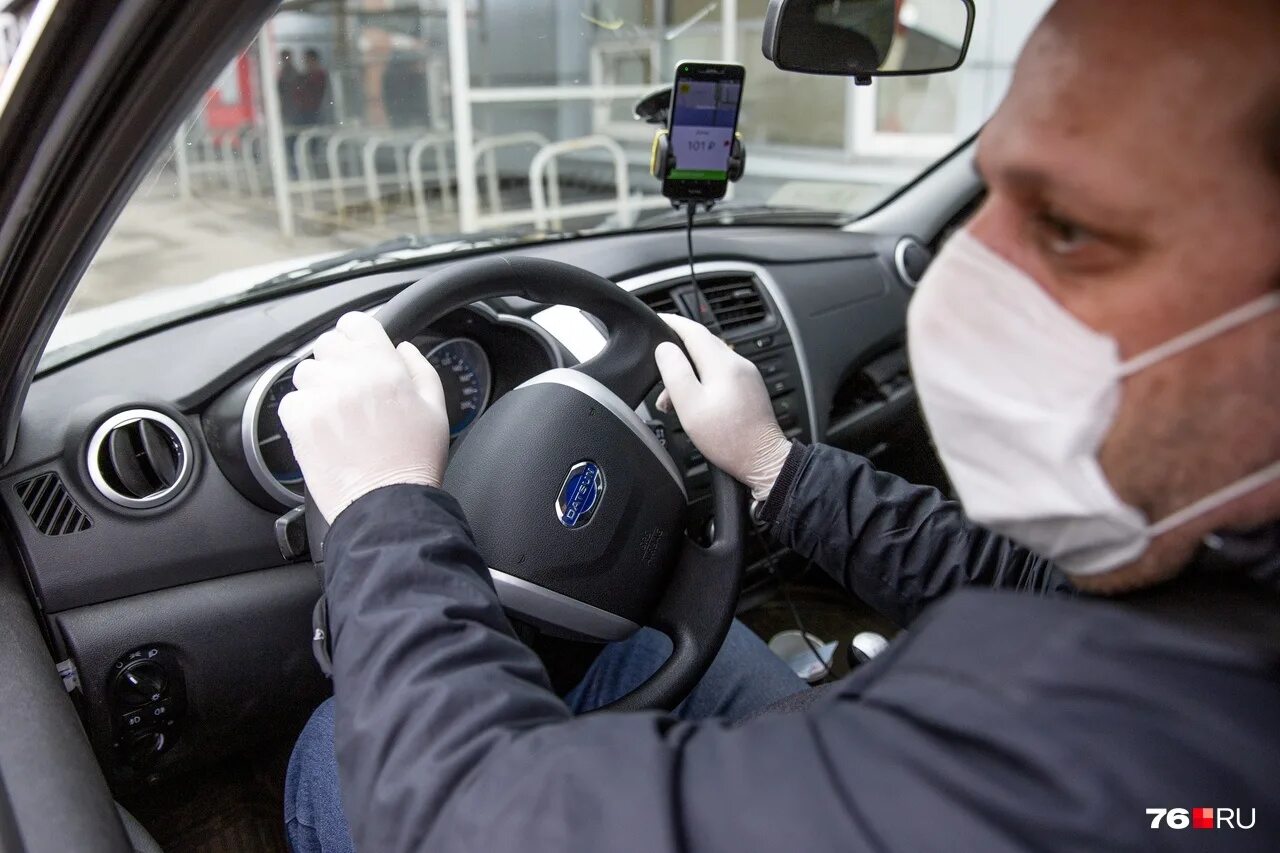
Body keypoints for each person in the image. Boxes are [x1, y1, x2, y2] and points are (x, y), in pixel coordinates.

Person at [280, 1, 1280, 851]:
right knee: (638, 662)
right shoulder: (1213, 586)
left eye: (1064, 227)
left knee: (335, 748)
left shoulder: (1125, 771)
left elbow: (466, 817)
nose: (962, 275)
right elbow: (1036, 588)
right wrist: (772, 464)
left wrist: (384, 508)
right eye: (984, 198)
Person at [295, 48, 329, 128]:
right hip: (305, 111)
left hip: (316, 110)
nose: (306, 63)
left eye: (308, 60)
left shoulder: (320, 75)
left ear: (314, 60)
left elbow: (318, 92)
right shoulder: (304, 76)